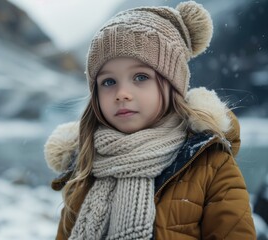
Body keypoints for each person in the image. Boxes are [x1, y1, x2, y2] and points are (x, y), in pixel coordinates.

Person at [44, 1, 256, 239]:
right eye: (108, 82)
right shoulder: (84, 167)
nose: (122, 93)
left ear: (172, 85)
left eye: (141, 77)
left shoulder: (209, 163)